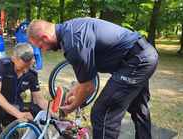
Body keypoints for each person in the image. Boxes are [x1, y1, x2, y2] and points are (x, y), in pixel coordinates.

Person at [27, 18, 158, 139]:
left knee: (102, 113)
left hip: (137, 61)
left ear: (45, 37)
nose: (42, 51)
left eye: (40, 47)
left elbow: (89, 87)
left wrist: (72, 107)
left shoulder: (73, 43)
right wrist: (76, 89)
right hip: (141, 55)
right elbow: (87, 74)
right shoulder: (70, 30)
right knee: (138, 107)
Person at [0, 43, 49, 139]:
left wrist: (52, 113)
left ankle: (12, 126)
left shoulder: (32, 74)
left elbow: (39, 99)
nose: (25, 71)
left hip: (14, 104)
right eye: (22, 66)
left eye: (28, 66)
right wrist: (18, 114)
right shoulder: (1, 66)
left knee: (39, 110)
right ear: (14, 58)